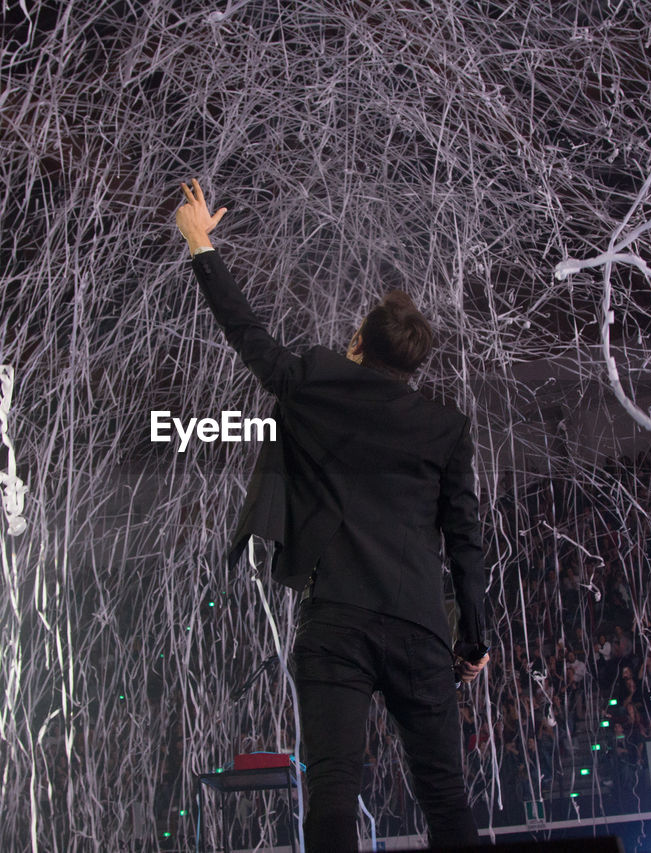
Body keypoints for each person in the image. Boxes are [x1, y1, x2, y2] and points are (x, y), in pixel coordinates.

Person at [174, 179, 490, 851]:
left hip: (337, 618)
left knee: (333, 791)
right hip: (417, 625)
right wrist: (473, 635)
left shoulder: (317, 381)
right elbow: (465, 538)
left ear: (357, 341)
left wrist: (201, 242)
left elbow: (248, 334)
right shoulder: (444, 426)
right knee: (444, 798)